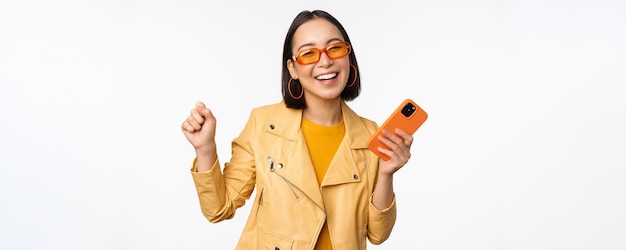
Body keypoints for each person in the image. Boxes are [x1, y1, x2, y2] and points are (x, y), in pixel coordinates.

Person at [181, 9, 414, 250]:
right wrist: (205, 148)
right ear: (292, 68)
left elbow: (377, 234)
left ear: (348, 57)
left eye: (335, 48)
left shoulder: (369, 134)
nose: (325, 61)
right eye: (309, 53)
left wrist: (386, 174)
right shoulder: (263, 124)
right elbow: (218, 209)